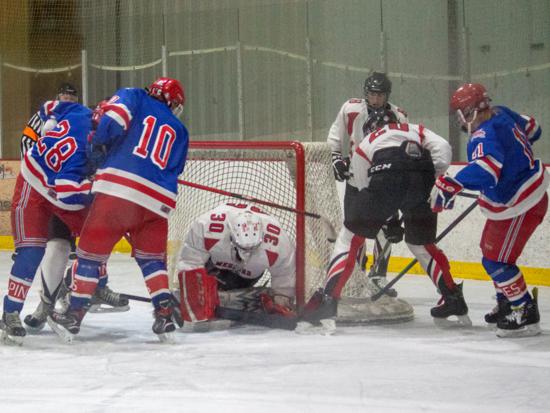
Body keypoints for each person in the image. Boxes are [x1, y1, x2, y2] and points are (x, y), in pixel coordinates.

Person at [48, 77, 188, 342]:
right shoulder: (180, 129)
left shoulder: (134, 95)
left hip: (119, 190)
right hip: (157, 201)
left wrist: (100, 144)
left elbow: (112, 121)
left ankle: (74, 314)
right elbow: (177, 168)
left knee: (90, 256)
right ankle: (164, 314)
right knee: (152, 260)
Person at [305, 108, 471, 327]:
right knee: (422, 244)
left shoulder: (366, 142)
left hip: (386, 178)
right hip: (422, 179)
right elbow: (443, 148)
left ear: (370, 129)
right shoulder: (416, 129)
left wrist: (388, 220)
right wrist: (433, 178)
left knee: (350, 238)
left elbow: (367, 188)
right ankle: (453, 298)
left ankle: (329, 301)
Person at [431, 83, 548, 338]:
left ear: (469, 111)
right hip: (519, 197)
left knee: (496, 261)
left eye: (460, 113)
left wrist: (453, 182)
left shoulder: (483, 134)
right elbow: (533, 128)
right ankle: (507, 301)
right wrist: (514, 157)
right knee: (490, 251)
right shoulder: (502, 112)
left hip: (519, 203)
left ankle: (524, 310)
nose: (459, 120)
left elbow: (487, 168)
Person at [20, 87, 128, 333]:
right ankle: (46, 304)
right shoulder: (76, 120)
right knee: (57, 246)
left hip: (86, 197)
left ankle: (98, 286)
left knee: (97, 243)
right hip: (60, 194)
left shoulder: (116, 134)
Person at [1, 99, 94, 344]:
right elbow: (69, 193)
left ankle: (69, 295)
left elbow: (49, 106)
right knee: (31, 251)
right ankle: (10, 312)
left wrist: (50, 124)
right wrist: (94, 189)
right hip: (35, 185)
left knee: (94, 239)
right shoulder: (86, 150)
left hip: (58, 186)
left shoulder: (80, 112)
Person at [327, 72, 409, 297]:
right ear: (366, 94)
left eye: (380, 95)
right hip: (356, 179)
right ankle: (357, 273)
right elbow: (335, 136)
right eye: (372, 94)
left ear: (387, 95)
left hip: (385, 182)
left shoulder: (399, 116)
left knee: (386, 229)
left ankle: (378, 275)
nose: (376, 99)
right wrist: (336, 158)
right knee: (356, 228)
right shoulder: (351, 109)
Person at [176, 202, 296, 324]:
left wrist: (281, 301)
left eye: (252, 249)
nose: (245, 255)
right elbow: (190, 260)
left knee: (241, 282)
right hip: (214, 266)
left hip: (246, 275)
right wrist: (194, 297)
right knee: (199, 282)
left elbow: (285, 273)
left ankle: (229, 294)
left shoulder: (280, 242)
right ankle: (219, 294)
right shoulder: (205, 226)